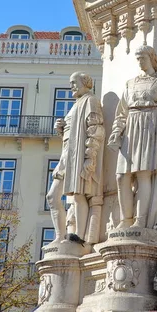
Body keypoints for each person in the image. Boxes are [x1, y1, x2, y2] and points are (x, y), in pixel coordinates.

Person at [108, 46, 157, 230]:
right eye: (138, 58)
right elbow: (122, 112)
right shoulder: (130, 83)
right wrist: (117, 131)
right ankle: (125, 219)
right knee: (121, 176)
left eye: (143, 57)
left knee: (143, 174)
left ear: (152, 58)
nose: (140, 61)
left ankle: (141, 220)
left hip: (150, 125)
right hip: (131, 126)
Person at [46, 72, 105, 246]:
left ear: (86, 82)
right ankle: (60, 236)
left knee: (79, 195)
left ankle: (78, 236)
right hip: (66, 157)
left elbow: (95, 130)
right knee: (52, 197)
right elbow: (71, 135)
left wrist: (90, 158)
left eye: (74, 83)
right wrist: (62, 129)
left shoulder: (90, 101)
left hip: (78, 157)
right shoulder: (76, 105)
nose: (71, 86)